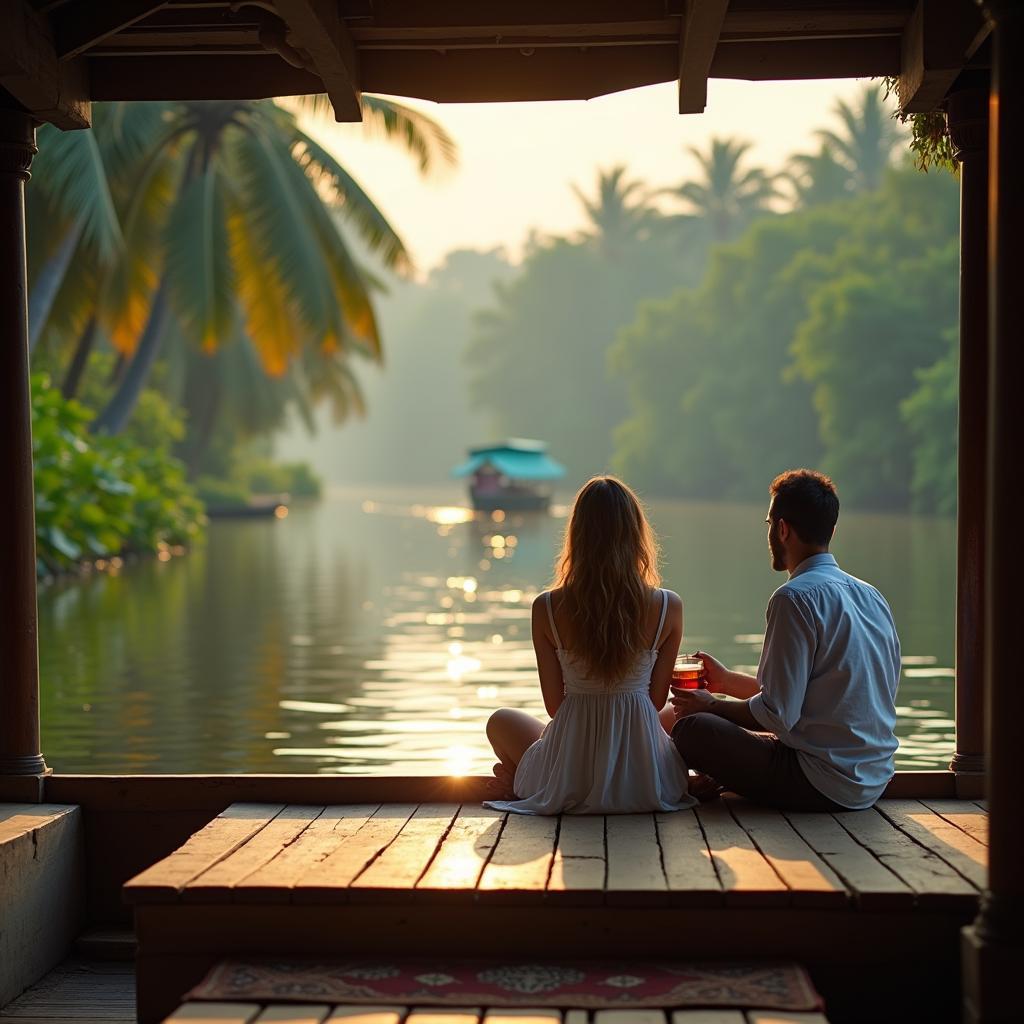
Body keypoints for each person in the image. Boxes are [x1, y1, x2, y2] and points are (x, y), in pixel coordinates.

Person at [669, 469, 901, 812]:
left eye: (768, 525)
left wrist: (711, 706)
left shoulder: (793, 598)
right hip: (872, 779)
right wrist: (726, 683)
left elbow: (778, 715)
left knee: (693, 728)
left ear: (782, 529)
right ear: (831, 530)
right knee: (729, 730)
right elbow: (810, 699)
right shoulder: (871, 596)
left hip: (822, 782)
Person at [483, 476, 696, 815]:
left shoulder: (547, 608)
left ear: (577, 536)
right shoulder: (669, 606)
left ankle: (522, 779)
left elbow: (555, 707)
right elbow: (655, 703)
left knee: (500, 721)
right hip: (646, 778)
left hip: (569, 774)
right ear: (636, 536)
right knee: (688, 711)